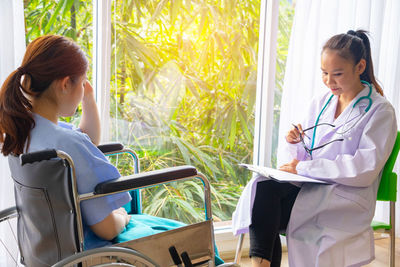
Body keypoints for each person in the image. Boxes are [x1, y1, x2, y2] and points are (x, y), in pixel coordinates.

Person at [232, 30, 397, 267]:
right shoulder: (322, 103)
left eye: (337, 74)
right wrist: (295, 143)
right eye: (324, 73)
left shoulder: (380, 111)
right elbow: (305, 156)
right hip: (311, 189)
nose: (329, 81)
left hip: (344, 198)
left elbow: (364, 169)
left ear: (360, 67)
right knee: (263, 187)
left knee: (268, 210)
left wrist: (304, 167)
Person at [0, 35, 132, 249]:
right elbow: (107, 229)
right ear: (64, 84)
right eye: (82, 83)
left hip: (45, 249)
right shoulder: (68, 145)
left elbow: (86, 139)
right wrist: (123, 216)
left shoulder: (23, 133)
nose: (84, 90)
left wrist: (87, 98)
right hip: (86, 252)